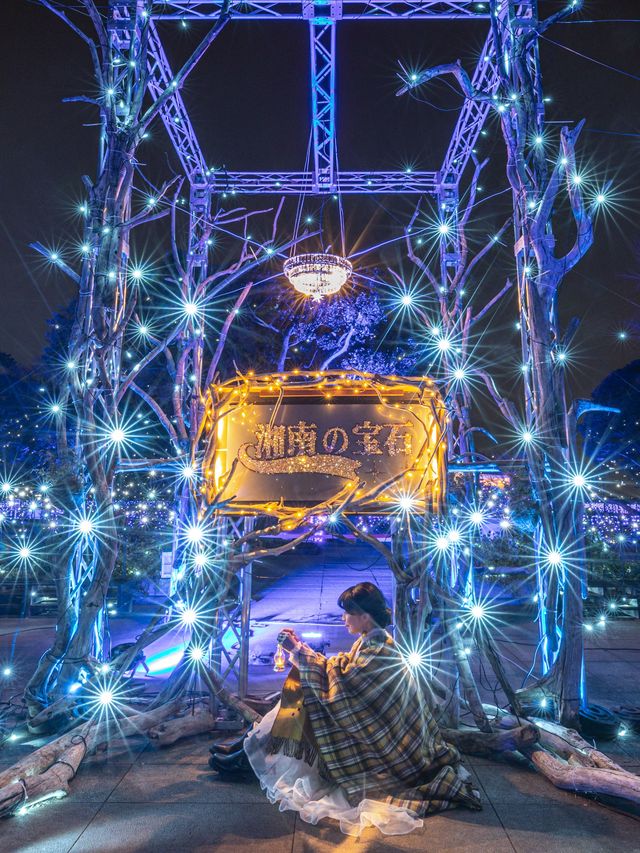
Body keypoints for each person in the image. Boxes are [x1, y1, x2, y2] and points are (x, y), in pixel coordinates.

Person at [209, 582, 481, 836]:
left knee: (305, 697)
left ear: (364, 616)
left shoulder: (381, 651)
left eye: (348, 613)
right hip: (375, 730)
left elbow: (343, 688)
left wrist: (301, 653)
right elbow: (342, 671)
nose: (343, 618)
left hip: (387, 750)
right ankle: (245, 749)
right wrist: (304, 653)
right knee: (303, 690)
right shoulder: (373, 641)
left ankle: (245, 753)